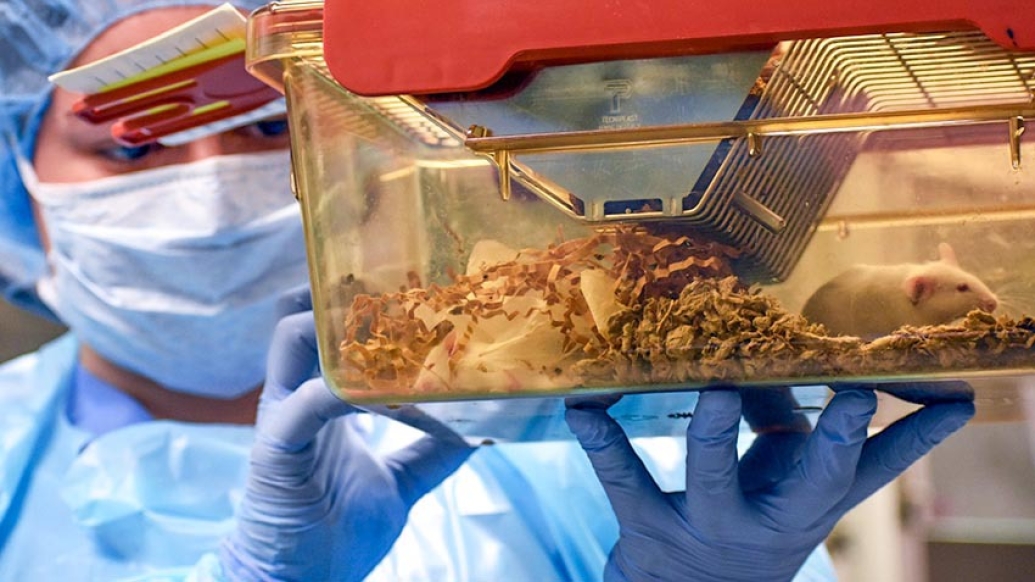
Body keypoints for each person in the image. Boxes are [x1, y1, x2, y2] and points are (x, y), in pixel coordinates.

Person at [0, 2, 975, 581]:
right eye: (130, 145)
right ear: (18, 178)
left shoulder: (594, 440)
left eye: (265, 130)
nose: (210, 188)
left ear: (353, 149)